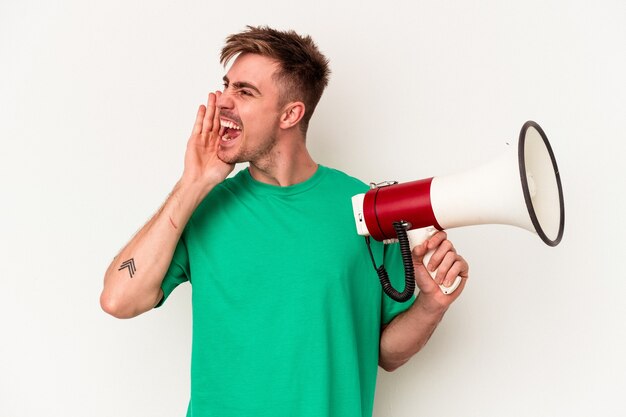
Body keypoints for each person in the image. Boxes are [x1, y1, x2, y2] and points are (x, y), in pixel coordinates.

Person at [100, 26, 469, 417]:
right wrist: (194, 182)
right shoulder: (202, 206)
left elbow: (385, 354)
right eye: (225, 86)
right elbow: (119, 299)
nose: (221, 101)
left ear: (291, 113)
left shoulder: (366, 209)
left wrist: (431, 305)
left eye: (244, 92)